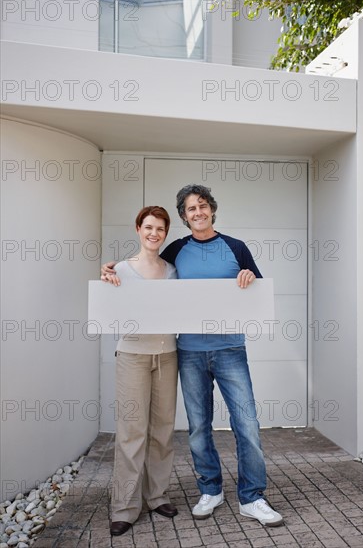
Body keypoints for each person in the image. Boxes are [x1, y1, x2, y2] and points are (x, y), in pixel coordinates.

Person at [102, 186, 283, 527]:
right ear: (184, 218)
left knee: (247, 424)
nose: (197, 212)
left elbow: (258, 292)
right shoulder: (176, 251)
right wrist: (111, 270)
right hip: (188, 352)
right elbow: (145, 273)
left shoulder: (235, 247)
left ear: (212, 210)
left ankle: (252, 497)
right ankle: (210, 490)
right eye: (190, 208)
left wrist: (249, 277)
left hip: (230, 350)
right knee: (199, 428)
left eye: (202, 206)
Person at [103, 206, 178, 537]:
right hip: (132, 355)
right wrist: (106, 282)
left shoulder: (172, 270)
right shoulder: (120, 269)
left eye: (160, 229)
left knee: (162, 431)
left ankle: (157, 496)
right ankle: (124, 507)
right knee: (132, 432)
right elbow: (108, 306)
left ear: (165, 233)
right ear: (138, 229)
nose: (154, 233)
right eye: (149, 227)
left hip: (167, 356)